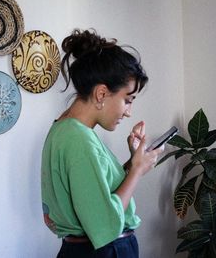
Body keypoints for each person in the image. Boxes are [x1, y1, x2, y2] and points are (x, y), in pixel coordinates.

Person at [41, 29, 164, 258]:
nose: (129, 112)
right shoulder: (79, 140)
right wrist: (136, 170)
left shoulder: (63, 130)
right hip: (104, 251)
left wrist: (133, 163)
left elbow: (95, 192)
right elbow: (105, 224)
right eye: (127, 100)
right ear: (101, 94)